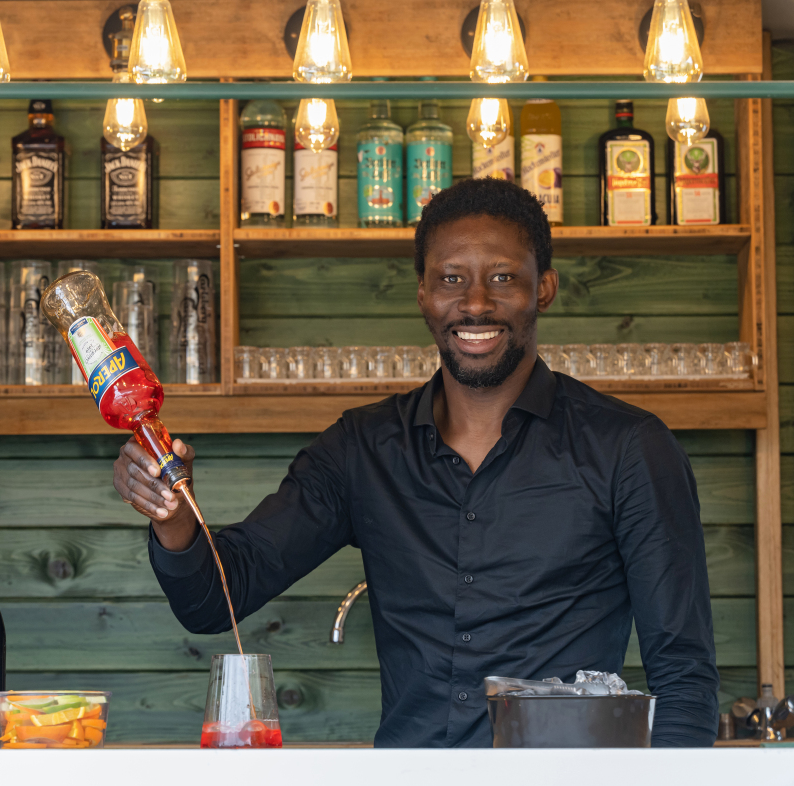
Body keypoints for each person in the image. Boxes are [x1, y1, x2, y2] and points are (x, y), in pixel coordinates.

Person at [113, 177, 718, 747]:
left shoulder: (630, 449)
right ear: (424, 293)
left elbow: (684, 681)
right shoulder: (362, 449)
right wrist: (172, 516)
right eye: (452, 278)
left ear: (544, 288)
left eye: (503, 277)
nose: (475, 304)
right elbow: (216, 599)